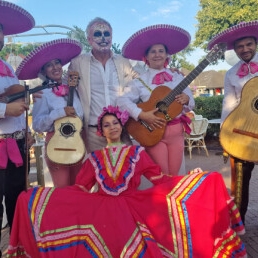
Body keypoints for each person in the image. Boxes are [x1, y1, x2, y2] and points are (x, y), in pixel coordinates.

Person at [7, 105, 246, 257]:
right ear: (100, 131)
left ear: (122, 126)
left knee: (207, 182)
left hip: (133, 208)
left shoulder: (137, 154)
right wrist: (45, 197)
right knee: (33, 199)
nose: (111, 127)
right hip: (100, 208)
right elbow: (80, 189)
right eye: (106, 125)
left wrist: (191, 180)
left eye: (115, 123)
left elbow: (160, 179)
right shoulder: (94, 157)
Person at [117, 24, 195, 175]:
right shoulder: (139, 81)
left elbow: (191, 103)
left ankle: (170, 199)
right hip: (152, 132)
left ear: (167, 55)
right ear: (145, 57)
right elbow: (121, 102)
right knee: (162, 175)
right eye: (152, 52)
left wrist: (187, 99)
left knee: (174, 175)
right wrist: (141, 114)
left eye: (161, 51)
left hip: (176, 133)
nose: (157, 54)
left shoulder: (178, 77)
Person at [15, 38, 85, 187]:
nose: (55, 67)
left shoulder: (73, 88)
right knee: (63, 191)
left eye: (57, 63)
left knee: (80, 189)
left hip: (78, 142)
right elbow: (38, 125)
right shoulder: (42, 93)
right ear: (43, 71)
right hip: (56, 144)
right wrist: (60, 112)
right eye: (49, 65)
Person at [208, 20, 258, 224]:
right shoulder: (231, 73)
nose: (245, 49)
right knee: (239, 182)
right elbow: (228, 105)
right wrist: (225, 134)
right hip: (243, 133)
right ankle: (239, 224)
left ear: (255, 43)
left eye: (249, 44)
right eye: (240, 46)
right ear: (235, 50)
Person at [67, 17, 139, 153]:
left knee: (127, 171)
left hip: (121, 130)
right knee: (99, 172)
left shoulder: (123, 62)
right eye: (97, 34)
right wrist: (44, 90)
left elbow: (142, 82)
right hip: (94, 133)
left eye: (106, 34)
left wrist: (166, 71)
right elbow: (65, 85)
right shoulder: (78, 63)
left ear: (111, 37)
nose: (103, 38)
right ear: (89, 39)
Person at [0, 1, 35, 256]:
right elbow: (7, 107)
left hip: (18, 143)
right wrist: (3, 111)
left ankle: (16, 248)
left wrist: (26, 128)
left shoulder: (8, 67)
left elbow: (18, 102)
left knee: (16, 199)